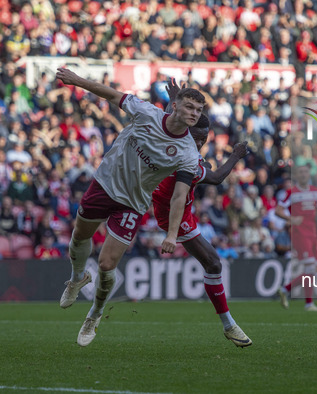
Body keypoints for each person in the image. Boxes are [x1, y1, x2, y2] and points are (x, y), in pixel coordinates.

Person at [56, 68, 205, 347]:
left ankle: (95, 315)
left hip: (133, 203)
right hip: (104, 184)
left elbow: (179, 196)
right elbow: (112, 94)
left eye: (198, 110)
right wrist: (76, 81)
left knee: (107, 263)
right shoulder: (146, 112)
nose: (194, 113)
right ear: (175, 106)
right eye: (189, 106)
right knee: (79, 237)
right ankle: (77, 278)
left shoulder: (188, 153)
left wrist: (172, 234)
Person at [151, 79, 251, 347]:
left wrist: (175, 100)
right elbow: (217, 177)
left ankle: (229, 324)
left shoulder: (171, 138)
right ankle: (229, 325)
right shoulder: (189, 160)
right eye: (201, 138)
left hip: (179, 206)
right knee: (214, 264)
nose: (202, 142)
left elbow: (170, 121)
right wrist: (236, 155)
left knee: (213, 264)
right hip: (173, 212)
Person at [275, 164, 317, 312]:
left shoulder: (314, 191)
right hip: (300, 234)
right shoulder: (291, 193)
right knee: (310, 267)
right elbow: (277, 211)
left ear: (309, 174)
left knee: (314, 268)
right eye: (301, 172)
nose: (304, 174)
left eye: (306, 171)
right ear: (297, 176)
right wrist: (291, 219)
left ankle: (287, 290)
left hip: (313, 233)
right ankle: (307, 303)